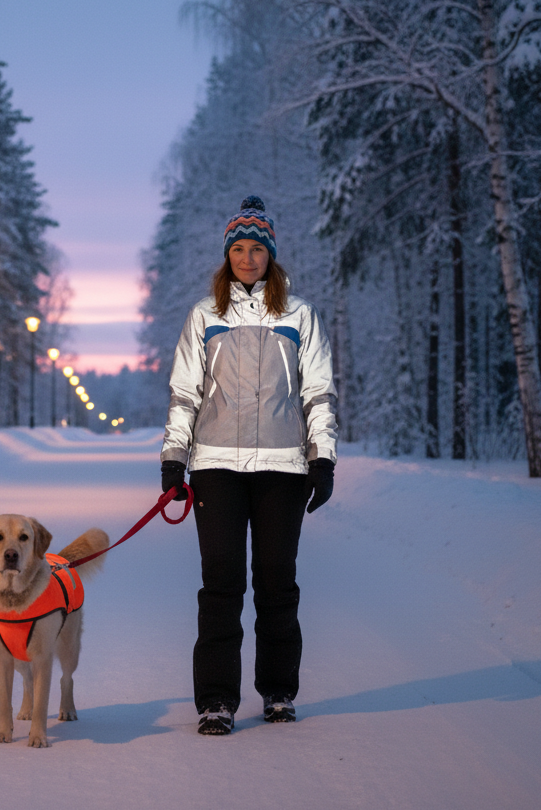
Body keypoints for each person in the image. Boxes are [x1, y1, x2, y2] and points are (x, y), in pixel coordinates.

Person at [160, 195, 337, 735]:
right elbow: (184, 394)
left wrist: (322, 458)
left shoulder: (299, 314)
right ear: (226, 254)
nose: (247, 257)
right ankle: (216, 700)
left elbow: (319, 393)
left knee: (277, 583)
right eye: (238, 248)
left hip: (283, 470)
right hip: (215, 467)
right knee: (221, 584)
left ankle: (278, 692)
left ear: (271, 254)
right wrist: (173, 461)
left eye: (256, 248)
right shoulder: (204, 316)